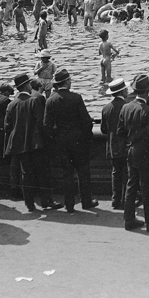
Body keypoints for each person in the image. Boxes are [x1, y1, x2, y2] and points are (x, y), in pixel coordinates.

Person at [3, 73, 61, 212]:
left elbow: (7, 127)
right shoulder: (34, 101)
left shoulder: (12, 104)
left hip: (19, 145)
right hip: (35, 144)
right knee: (42, 172)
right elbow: (41, 123)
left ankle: (29, 204)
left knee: (26, 174)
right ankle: (46, 200)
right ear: (26, 85)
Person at [44, 69, 97, 212]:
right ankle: (86, 202)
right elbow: (86, 122)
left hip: (61, 141)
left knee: (67, 173)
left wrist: (56, 139)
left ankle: (69, 205)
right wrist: (86, 138)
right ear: (67, 81)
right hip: (78, 141)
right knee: (83, 172)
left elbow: (47, 126)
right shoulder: (76, 98)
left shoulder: (50, 100)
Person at [117, 74, 149, 232]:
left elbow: (120, 132)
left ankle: (129, 219)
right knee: (147, 188)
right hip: (145, 153)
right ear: (147, 92)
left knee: (131, 186)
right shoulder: (148, 111)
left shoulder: (125, 107)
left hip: (131, 151)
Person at [100, 79, 129, 209]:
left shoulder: (106, 108)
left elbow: (103, 130)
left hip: (112, 146)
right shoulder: (127, 106)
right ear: (122, 91)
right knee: (127, 174)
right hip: (126, 145)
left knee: (115, 173)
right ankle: (125, 200)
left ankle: (115, 200)